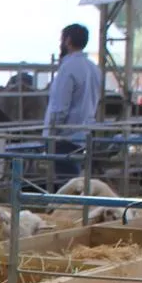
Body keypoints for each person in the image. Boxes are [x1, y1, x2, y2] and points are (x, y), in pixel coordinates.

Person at [45, 23, 100, 183]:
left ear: (68, 41)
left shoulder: (67, 68)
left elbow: (60, 106)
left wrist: (51, 132)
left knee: (64, 182)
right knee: (73, 177)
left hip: (64, 136)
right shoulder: (94, 68)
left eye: (61, 40)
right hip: (83, 132)